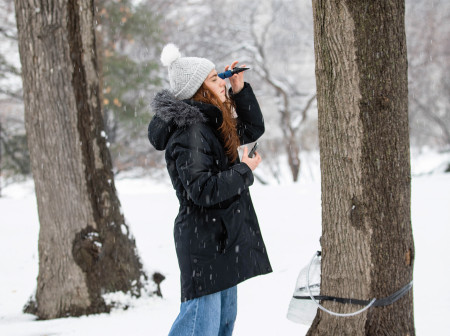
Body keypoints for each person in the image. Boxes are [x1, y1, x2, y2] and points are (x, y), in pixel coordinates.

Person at [147, 43, 272, 336]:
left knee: (221, 326)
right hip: (204, 242)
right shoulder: (191, 133)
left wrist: (239, 91)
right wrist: (243, 170)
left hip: (222, 239)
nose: (222, 81)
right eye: (215, 78)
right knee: (199, 327)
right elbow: (201, 190)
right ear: (198, 90)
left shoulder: (211, 124)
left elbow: (252, 130)